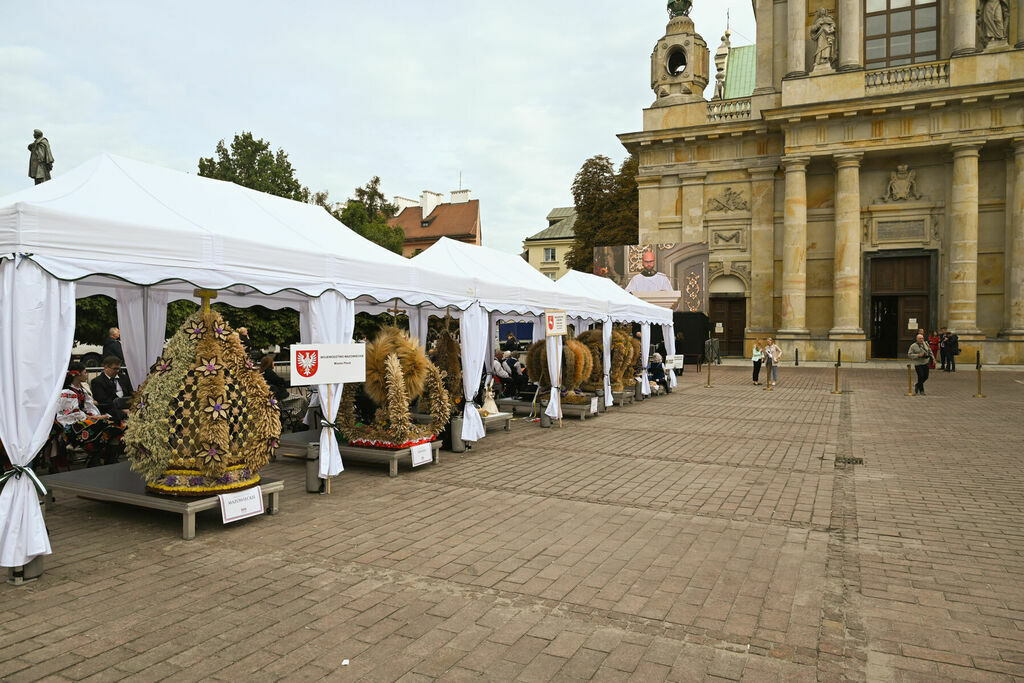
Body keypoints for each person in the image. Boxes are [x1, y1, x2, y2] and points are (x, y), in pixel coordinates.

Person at [56, 362, 124, 467]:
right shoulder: (67, 392)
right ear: (77, 375)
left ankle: (109, 458)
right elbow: (72, 414)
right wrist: (97, 417)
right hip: (72, 425)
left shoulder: (81, 390)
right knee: (103, 423)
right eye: (85, 372)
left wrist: (96, 416)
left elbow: (89, 407)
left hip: (83, 419)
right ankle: (95, 458)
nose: (86, 374)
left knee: (114, 422)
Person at [91, 356, 134, 422]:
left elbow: (131, 392)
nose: (117, 371)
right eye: (115, 369)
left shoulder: (124, 378)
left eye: (119, 369)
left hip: (127, 405)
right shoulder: (97, 382)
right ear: (106, 367)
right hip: (110, 408)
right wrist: (122, 410)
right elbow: (103, 400)